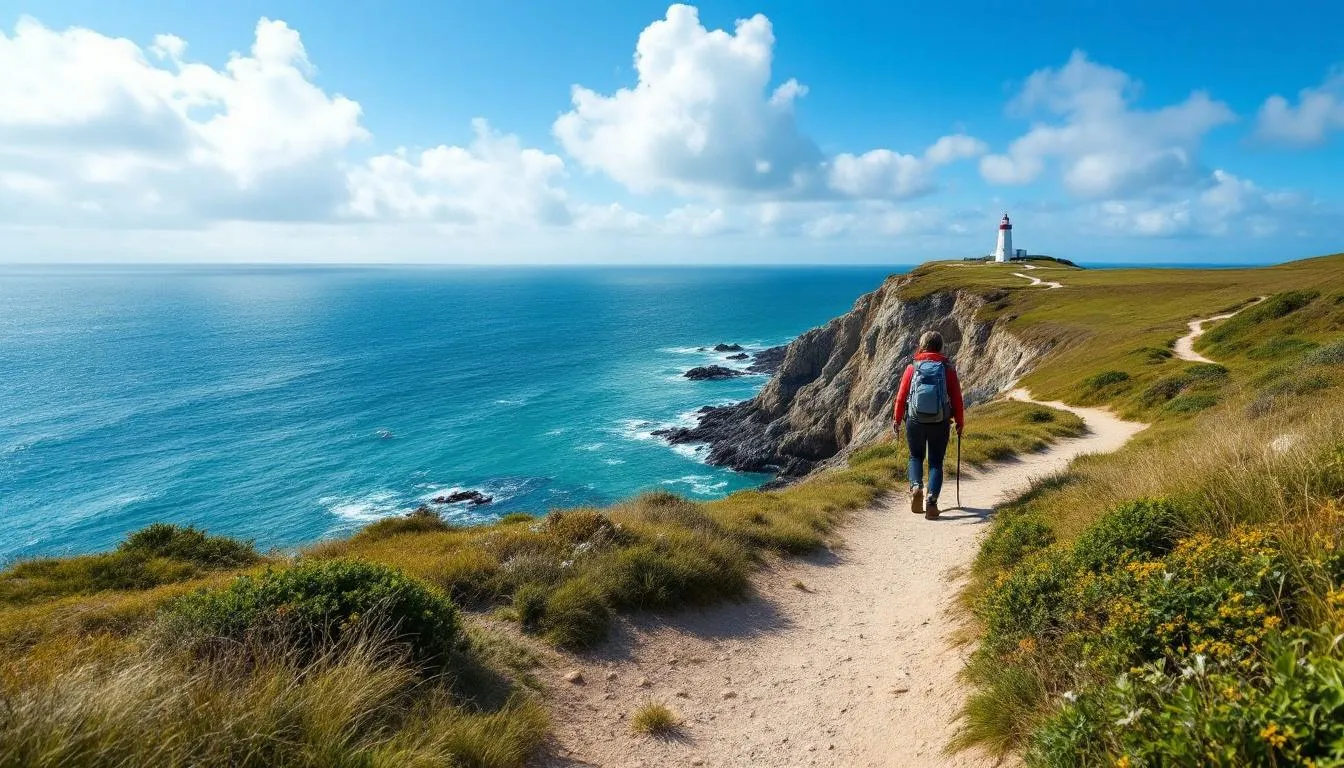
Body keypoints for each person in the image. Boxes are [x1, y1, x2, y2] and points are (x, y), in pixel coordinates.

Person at [893, 330, 965, 519]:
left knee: (915, 457)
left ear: (922, 345)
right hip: (940, 422)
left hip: (915, 421)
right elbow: (957, 399)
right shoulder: (947, 368)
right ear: (941, 347)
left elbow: (901, 397)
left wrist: (897, 419)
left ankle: (916, 487)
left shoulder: (913, 367)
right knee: (935, 463)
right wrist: (959, 422)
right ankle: (932, 503)